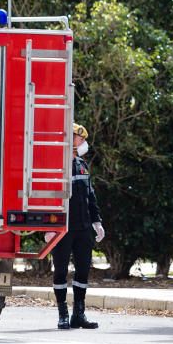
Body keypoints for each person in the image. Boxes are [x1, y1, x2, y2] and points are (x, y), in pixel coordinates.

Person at [47, 122, 105, 330]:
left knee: (82, 271)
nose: (82, 142)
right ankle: (62, 313)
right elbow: (48, 197)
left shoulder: (82, 164)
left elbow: (91, 196)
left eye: (81, 139)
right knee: (60, 270)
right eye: (79, 138)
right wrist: (48, 227)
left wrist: (97, 222)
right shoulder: (55, 165)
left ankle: (78, 314)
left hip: (83, 227)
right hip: (62, 227)